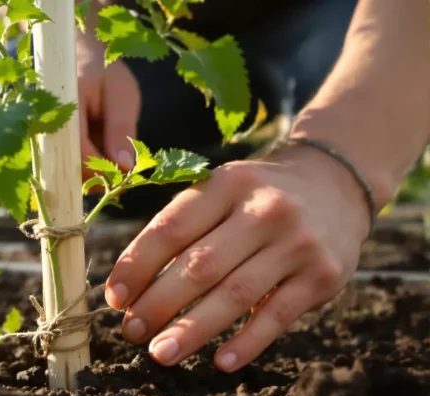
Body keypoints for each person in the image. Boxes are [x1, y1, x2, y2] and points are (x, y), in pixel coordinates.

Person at [77, 0, 430, 372]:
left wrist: (337, 166)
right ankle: (234, 173)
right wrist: (72, 25)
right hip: (140, 21)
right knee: (79, 128)